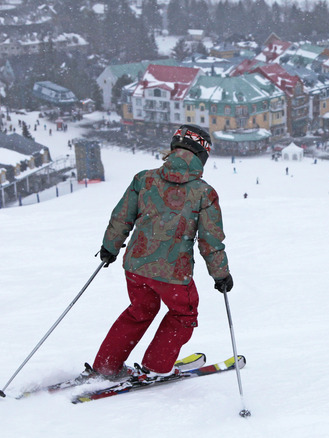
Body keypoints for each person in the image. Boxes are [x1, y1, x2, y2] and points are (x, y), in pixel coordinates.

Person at [94, 124, 233, 381]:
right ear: (202, 156)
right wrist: (221, 274)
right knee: (183, 314)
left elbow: (122, 217)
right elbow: (210, 240)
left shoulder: (144, 179)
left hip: (135, 266)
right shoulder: (204, 193)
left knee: (140, 310)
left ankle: (106, 365)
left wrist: (110, 247)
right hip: (173, 273)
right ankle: (157, 366)